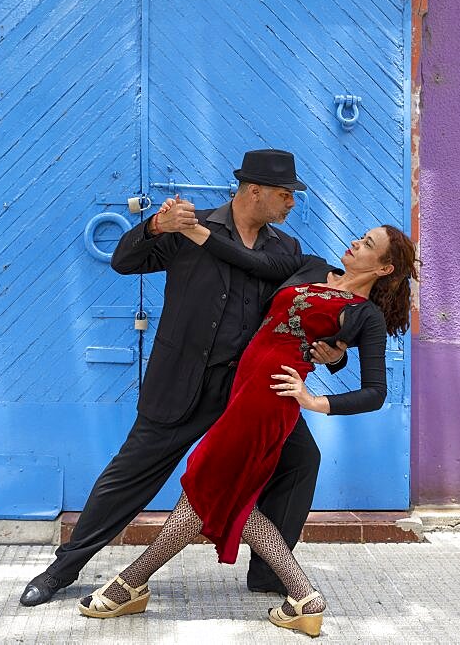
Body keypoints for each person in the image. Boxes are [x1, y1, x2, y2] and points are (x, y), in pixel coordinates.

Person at [20, 149, 348, 607]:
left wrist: (332, 357)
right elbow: (124, 261)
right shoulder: (192, 228)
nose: (291, 202)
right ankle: (62, 569)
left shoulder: (287, 251)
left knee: (300, 459)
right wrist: (155, 226)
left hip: (247, 393)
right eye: (284, 193)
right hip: (182, 381)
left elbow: (303, 316)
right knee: (131, 473)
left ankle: (270, 572)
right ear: (254, 191)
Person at [78, 216, 418, 638]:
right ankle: (305, 598)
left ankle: (128, 585)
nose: (355, 242)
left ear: (383, 268)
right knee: (232, 499)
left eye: (367, 243)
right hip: (241, 391)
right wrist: (191, 230)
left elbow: (375, 392)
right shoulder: (311, 266)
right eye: (361, 236)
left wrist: (315, 401)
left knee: (204, 488)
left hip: (266, 403)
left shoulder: (364, 316)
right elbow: (244, 260)